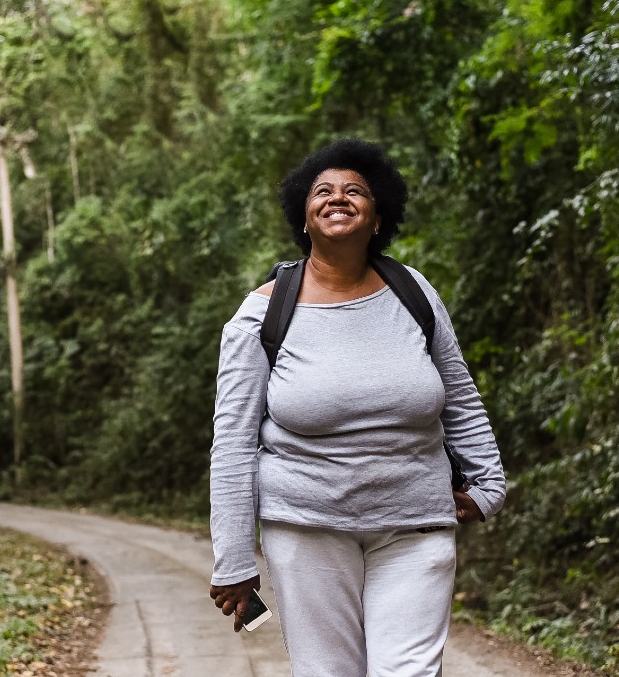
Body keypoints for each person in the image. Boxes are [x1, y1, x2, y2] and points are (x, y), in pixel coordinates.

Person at [207, 138, 506, 676]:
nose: (337, 197)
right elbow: (233, 440)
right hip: (306, 527)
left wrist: (489, 486)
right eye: (322, 191)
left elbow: (458, 393)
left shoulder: (413, 292)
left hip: (415, 522)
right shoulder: (261, 313)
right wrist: (233, 556)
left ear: (376, 216)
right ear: (304, 217)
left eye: (355, 191)